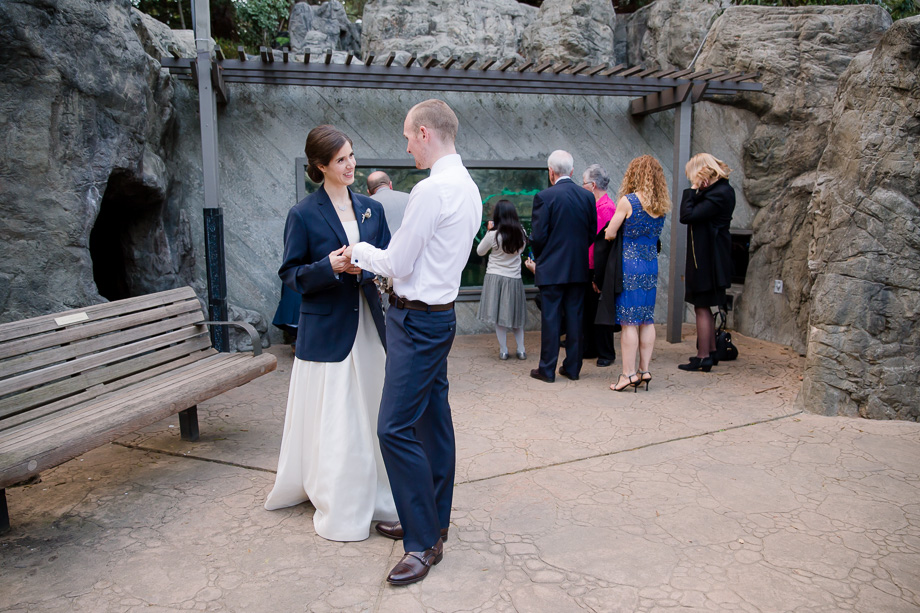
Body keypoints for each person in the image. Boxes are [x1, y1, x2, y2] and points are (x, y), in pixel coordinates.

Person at [345, 99, 481, 586]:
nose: (406, 146)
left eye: (408, 136)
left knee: (394, 428)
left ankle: (423, 541)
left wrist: (358, 250)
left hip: (416, 324)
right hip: (437, 320)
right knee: (432, 425)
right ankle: (430, 520)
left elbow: (398, 263)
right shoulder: (468, 188)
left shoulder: (432, 190)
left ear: (426, 133)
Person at [264, 125, 397, 541]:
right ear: (320, 166)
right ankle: (341, 494)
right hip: (327, 330)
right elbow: (290, 274)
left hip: (369, 326)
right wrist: (331, 267)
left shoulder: (370, 209)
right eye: (341, 159)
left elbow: (389, 258)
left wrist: (368, 265)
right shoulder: (302, 214)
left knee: (375, 407)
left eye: (352, 155)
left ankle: (381, 491)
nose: (351, 164)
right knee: (339, 415)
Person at [603, 155, 670, 392]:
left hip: (630, 265)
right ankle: (645, 370)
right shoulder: (660, 205)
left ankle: (627, 374)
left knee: (629, 322)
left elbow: (610, 233)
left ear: (634, 174)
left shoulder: (628, 201)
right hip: (651, 265)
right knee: (646, 319)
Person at [529, 150, 596, 383]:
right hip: (578, 268)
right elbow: (591, 233)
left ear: (551, 172)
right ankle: (573, 368)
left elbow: (538, 237)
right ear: (572, 171)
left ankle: (547, 370)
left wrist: (542, 258)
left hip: (551, 269)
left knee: (551, 319)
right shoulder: (587, 197)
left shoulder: (544, 197)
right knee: (576, 318)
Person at [678, 153, 736, 372]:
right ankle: (710, 352)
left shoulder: (718, 194)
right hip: (711, 256)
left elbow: (687, 215)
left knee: (702, 306)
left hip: (707, 259)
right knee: (704, 305)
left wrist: (692, 190)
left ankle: (704, 356)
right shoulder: (721, 191)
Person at [476, 199, 527, 360]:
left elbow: (480, 251)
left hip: (495, 277)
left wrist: (489, 231)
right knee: (516, 318)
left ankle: (504, 350)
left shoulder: (493, 235)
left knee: (499, 318)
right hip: (514, 279)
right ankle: (521, 349)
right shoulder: (522, 234)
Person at [582, 164, 618, 367]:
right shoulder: (596, 206)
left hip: (598, 267)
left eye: (584, 183)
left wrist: (598, 274)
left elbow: (604, 245)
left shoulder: (607, 208)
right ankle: (591, 347)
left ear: (593, 185)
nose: (582, 186)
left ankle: (606, 352)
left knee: (601, 311)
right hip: (589, 265)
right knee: (589, 309)